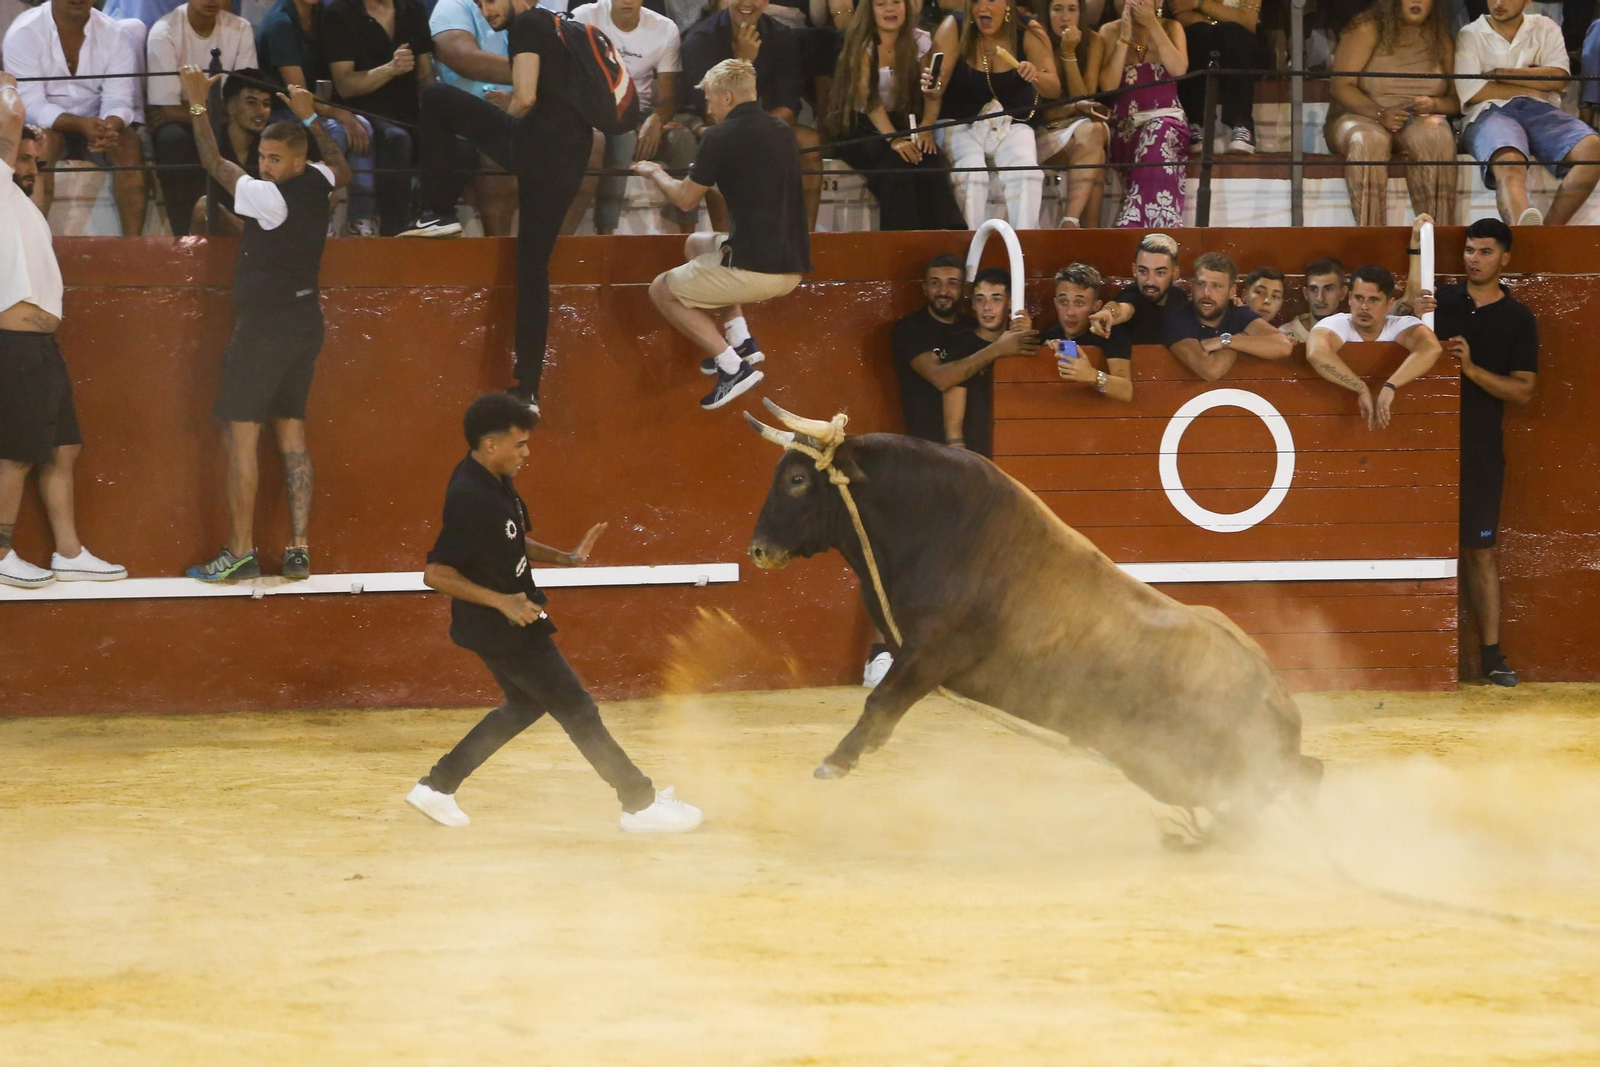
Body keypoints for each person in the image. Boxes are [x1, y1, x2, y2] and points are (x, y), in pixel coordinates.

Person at [404, 392, 705, 832]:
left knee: (525, 704)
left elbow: (509, 540)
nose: (527, 453)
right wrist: (503, 601)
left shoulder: (494, 478)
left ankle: (437, 786)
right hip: (504, 623)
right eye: (519, 444)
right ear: (491, 445)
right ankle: (639, 804)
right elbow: (436, 573)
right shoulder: (470, 496)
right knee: (579, 709)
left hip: (510, 617)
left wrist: (564, 558)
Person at [177, 66, 351, 583]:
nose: (264, 166)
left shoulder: (267, 197)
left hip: (263, 331)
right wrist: (310, 117)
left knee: (242, 436)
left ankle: (240, 551)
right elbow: (339, 161)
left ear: (296, 162)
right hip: (305, 322)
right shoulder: (317, 182)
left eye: (275, 159)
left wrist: (196, 103)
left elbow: (212, 161)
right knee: (292, 431)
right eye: (262, 158)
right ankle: (298, 547)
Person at [402, 0, 594, 418]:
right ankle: (528, 388)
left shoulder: (527, 24)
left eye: (490, 0)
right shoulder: (565, 26)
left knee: (436, 96)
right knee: (533, 267)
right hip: (573, 153)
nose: (486, 10)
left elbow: (524, 98)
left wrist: (503, 114)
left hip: (536, 145)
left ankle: (436, 210)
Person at [0, 83, 126, 589]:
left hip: (41, 346)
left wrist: (36, 150)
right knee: (16, 450)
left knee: (63, 446)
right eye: (21, 157)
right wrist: (9, 87)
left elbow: (31, 169)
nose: (29, 165)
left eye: (36, 160)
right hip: (15, 346)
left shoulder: (23, 206)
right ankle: (1, 551)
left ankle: (68, 552)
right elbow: (11, 118)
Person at [1403, 215, 1536, 686]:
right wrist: (1415, 258)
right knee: (1415, 545)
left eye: (1484, 252)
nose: (1473, 260)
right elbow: (1395, 319)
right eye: (1469, 251)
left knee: (1480, 552)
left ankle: (1491, 656)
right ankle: (1415, 653)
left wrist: (1472, 370)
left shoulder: (1518, 318)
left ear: (1505, 258)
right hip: (1423, 445)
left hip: (1479, 449)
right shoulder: (1440, 302)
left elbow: (1522, 391)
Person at [635, 59, 811, 411]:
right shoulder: (782, 130)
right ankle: (740, 338)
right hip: (792, 267)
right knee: (697, 243)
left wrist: (655, 172)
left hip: (755, 270)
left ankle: (733, 368)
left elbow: (685, 200)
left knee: (661, 290)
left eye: (712, 100)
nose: (708, 107)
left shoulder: (720, 137)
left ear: (728, 97)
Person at [4, 0, 147, 234]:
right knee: (41, 145)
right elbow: (30, 103)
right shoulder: (24, 33)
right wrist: (80, 125)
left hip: (97, 125)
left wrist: (111, 124)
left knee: (128, 144)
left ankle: (133, 249)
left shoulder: (114, 34)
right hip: (47, 126)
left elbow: (119, 98)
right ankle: (36, 243)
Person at [823, 0, 966, 231]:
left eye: (896, 2)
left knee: (930, 158)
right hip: (863, 128)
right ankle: (901, 241)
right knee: (897, 165)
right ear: (869, 11)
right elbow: (870, 102)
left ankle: (948, 236)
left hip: (903, 123)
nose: (890, 9)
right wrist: (894, 140)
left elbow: (931, 93)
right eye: (881, 4)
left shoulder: (918, 41)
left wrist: (926, 127)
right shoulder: (862, 46)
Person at [1455, 0, 1600, 226]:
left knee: (1593, 149)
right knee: (1509, 159)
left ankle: (1548, 232)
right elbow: (1472, 91)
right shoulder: (1471, 33)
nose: (1499, 3)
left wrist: (1499, 73)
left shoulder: (1545, 26)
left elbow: (1559, 77)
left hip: (1542, 110)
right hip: (1489, 111)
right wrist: (1532, 84)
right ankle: (1524, 234)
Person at [679, 0, 821, 230]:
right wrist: (742, 62)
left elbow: (789, 106)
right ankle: (726, 245)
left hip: (761, 123)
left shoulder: (781, 36)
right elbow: (712, 114)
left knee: (809, 143)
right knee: (727, 143)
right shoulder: (701, 38)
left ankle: (808, 240)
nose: (747, 2)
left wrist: (756, 129)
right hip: (712, 127)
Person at [927, 0, 1061, 230]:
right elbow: (936, 88)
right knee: (972, 172)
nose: (982, 8)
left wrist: (1035, 74)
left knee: (1027, 173)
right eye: (976, 2)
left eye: (990, 0)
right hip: (960, 122)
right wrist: (927, 116)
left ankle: (1024, 249)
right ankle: (969, 250)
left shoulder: (1029, 31)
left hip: (1011, 122)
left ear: (1008, 4)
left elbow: (1054, 88)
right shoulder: (954, 27)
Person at [890, 254, 1039, 458]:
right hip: (927, 447)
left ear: (964, 289)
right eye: (935, 283)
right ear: (924, 288)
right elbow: (941, 379)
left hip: (985, 448)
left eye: (952, 283)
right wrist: (999, 348)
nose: (943, 291)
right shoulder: (910, 329)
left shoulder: (975, 326)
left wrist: (1022, 332)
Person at [1326, 0, 1459, 227]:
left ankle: (1435, 237)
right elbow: (1341, 86)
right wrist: (1379, 113)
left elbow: (1456, 102)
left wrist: (1433, 104)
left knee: (1437, 135)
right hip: (1360, 116)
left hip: (1416, 120)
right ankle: (1371, 237)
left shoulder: (1440, 39)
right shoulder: (1367, 28)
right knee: (1368, 140)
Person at [570, 0, 699, 234]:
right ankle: (605, 237)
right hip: (598, 110)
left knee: (683, 140)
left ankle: (687, 239)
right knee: (624, 137)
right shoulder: (583, 17)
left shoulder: (664, 28)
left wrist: (655, 120)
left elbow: (668, 98)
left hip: (642, 111)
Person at [256, 0, 376, 230]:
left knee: (365, 126)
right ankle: (322, 216)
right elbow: (298, 94)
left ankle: (361, 218)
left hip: (315, 105)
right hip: (281, 109)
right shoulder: (281, 24)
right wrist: (340, 114)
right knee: (335, 131)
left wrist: (343, 113)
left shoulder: (322, 14)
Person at [144, 0, 259, 236]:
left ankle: (249, 232)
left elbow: (245, 95)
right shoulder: (164, 32)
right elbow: (165, 109)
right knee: (172, 140)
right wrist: (216, 110)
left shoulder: (240, 28)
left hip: (219, 118)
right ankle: (186, 235)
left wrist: (196, 105)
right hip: (188, 123)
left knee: (249, 131)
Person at [325, 0, 435, 235]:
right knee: (396, 139)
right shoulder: (340, 13)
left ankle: (431, 217)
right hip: (364, 112)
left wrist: (436, 118)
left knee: (459, 147)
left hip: (409, 113)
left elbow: (425, 76)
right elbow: (344, 85)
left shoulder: (412, 9)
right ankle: (392, 235)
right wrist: (391, 69)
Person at [1305, 263, 1442, 430]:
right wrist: (1360, 387)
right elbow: (1316, 353)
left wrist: (1390, 385)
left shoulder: (1401, 325)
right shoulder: (1336, 323)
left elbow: (1431, 348)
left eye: (1373, 299)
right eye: (1358, 298)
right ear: (1349, 298)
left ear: (1390, 303)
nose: (1364, 307)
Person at [428, 0, 517, 237]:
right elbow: (465, 60)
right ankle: (498, 249)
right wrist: (534, 71)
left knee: (592, 142)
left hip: (520, 108)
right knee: (498, 144)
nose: (485, 11)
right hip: (467, 114)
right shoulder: (452, 6)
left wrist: (519, 97)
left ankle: (562, 249)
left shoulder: (534, 13)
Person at [1099, 0, 1189, 227]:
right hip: (1126, 127)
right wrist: (1124, 38)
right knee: (1150, 136)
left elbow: (1179, 69)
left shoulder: (1171, 27)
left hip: (1168, 123)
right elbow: (1108, 87)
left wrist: (1153, 25)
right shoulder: (1109, 31)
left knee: (1158, 131)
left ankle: (1137, 222)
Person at [1162, 251, 1293, 380]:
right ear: (1192, 286)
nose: (1207, 293)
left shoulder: (1238, 313)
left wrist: (1226, 341)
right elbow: (1210, 370)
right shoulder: (1178, 316)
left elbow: (1283, 346)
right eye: (1201, 284)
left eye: (1216, 286)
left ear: (1231, 292)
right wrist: (1242, 337)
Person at [1036, 0, 1110, 228]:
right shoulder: (1037, 39)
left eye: (1071, 9)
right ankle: (1087, 231)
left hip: (1080, 128)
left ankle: (1070, 223)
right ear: (1047, 13)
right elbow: (1040, 113)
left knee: (1094, 131)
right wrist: (1067, 52)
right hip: (1043, 131)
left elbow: (1084, 100)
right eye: (1057, 9)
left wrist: (1069, 54)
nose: (1065, 17)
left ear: (1081, 13)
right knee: (1096, 156)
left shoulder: (1094, 40)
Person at [1171, 0, 1267, 154]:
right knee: (1196, 33)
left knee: (1232, 32)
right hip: (1204, 41)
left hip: (1244, 46)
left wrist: (1199, 4)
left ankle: (1242, 124)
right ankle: (1194, 124)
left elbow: (1248, 22)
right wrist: (1225, 16)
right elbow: (1183, 18)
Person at [190, 69, 272, 236]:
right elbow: (212, 161)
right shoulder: (211, 140)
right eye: (251, 102)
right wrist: (196, 101)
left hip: (263, 240)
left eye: (266, 104)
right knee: (205, 207)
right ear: (230, 106)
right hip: (221, 238)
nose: (261, 110)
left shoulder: (272, 146)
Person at [1040, 261, 1133, 400]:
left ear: (1096, 306)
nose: (1070, 312)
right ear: (1055, 303)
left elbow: (1126, 391)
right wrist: (1043, 351)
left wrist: (1092, 376)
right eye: (1063, 302)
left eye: (1079, 303)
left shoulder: (1109, 334)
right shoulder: (1047, 337)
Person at [1087, 231, 1190, 344]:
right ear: (1134, 270)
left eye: (1160, 273)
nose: (1150, 281)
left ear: (1175, 273)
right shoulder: (1132, 295)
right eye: (1143, 271)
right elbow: (1122, 309)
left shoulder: (1179, 297)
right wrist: (1108, 312)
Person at [1282, 256, 1346, 343]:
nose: (1320, 298)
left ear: (1342, 293)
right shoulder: (1284, 335)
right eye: (1313, 289)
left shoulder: (1354, 333)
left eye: (1328, 289)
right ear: (1305, 293)